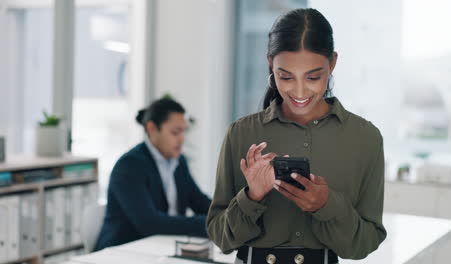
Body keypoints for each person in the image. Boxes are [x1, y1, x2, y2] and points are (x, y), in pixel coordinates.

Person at [207, 8, 386, 264]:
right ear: (270, 63)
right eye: (286, 76)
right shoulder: (241, 133)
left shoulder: (365, 138)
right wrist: (252, 196)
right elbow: (221, 238)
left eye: (313, 77)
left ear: (332, 63)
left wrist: (326, 205)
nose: (299, 91)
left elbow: (363, 245)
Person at [94, 97, 211, 251]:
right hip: (123, 252)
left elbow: (199, 202)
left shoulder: (178, 161)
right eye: (175, 132)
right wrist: (208, 223)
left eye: (184, 132)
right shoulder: (129, 166)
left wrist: (228, 214)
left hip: (161, 247)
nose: (182, 139)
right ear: (151, 129)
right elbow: (150, 223)